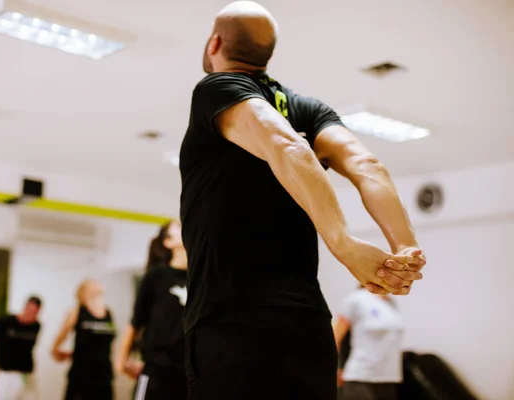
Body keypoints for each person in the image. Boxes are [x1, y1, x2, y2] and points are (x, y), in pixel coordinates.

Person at [179, 1, 427, 398]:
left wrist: (344, 245)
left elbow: (285, 145)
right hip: (307, 328)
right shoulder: (310, 110)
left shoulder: (218, 87)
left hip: (231, 324)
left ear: (215, 42)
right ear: (267, 54)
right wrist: (404, 251)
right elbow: (367, 164)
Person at [116, 220, 188, 400]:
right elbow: (136, 321)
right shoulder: (156, 276)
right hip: (157, 370)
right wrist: (121, 360)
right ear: (168, 242)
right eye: (179, 226)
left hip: (190, 374)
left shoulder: (202, 279)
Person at [333, 286, 405, 400]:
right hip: (360, 377)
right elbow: (336, 336)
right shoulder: (356, 299)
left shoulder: (391, 303)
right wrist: (334, 367)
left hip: (388, 378)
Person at [52, 279, 117, 400]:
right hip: (81, 376)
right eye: (91, 287)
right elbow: (61, 337)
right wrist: (57, 351)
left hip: (104, 375)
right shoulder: (77, 312)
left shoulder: (108, 314)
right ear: (83, 292)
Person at [0, 296, 42, 400]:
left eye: (35, 312)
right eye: (30, 310)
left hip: (27, 373)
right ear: (25, 307)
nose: (31, 315)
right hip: (7, 372)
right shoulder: (5, 322)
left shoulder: (36, 326)